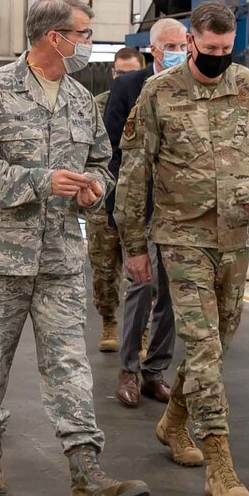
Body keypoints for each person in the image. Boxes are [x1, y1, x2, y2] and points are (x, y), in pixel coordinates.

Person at [0, 0, 149, 496]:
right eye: (84, 33)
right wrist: (41, 182)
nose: (89, 43)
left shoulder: (82, 100)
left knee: (69, 366)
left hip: (60, 258)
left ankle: (86, 474)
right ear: (53, 37)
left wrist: (94, 191)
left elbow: (103, 163)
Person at [115, 0, 249, 496]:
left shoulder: (248, 86)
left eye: (227, 51)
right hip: (181, 236)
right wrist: (134, 246)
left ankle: (172, 422)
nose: (218, 58)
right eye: (210, 50)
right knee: (204, 350)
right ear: (190, 42)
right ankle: (219, 463)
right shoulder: (158, 93)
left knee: (219, 343)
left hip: (236, 235)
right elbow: (134, 172)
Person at [102, 18, 188, 410]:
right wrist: (120, 207)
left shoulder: (191, 83)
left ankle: (156, 371)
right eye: (170, 46)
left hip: (183, 210)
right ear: (154, 50)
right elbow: (114, 152)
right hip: (144, 204)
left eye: (182, 44)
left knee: (172, 293)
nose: (178, 52)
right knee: (141, 284)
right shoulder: (128, 87)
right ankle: (129, 370)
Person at [88, 45, 147, 354]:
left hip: (138, 201)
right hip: (104, 200)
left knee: (140, 268)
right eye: (119, 73)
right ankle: (109, 319)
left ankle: (141, 331)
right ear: (113, 74)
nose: (124, 78)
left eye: (131, 72)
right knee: (103, 268)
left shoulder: (152, 104)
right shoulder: (95, 107)